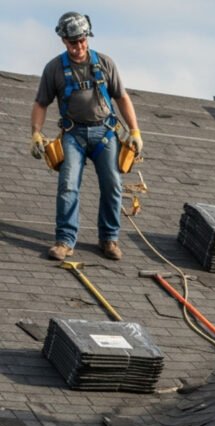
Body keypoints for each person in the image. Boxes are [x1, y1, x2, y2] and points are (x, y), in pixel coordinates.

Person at [30, 11, 143, 262]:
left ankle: (109, 239)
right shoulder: (55, 69)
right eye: (73, 43)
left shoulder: (104, 63)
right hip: (74, 134)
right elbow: (41, 103)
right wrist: (36, 134)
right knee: (68, 186)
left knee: (113, 185)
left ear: (87, 37)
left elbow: (122, 98)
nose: (78, 47)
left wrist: (134, 130)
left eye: (82, 41)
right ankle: (65, 241)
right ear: (63, 41)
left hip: (105, 133)